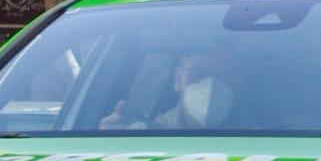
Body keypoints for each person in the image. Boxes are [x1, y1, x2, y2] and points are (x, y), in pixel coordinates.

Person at [99, 52, 235, 131]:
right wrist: (106, 144)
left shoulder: (256, 129)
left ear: (241, 84)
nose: (211, 85)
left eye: (224, 75)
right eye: (197, 74)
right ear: (177, 80)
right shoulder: (148, 133)